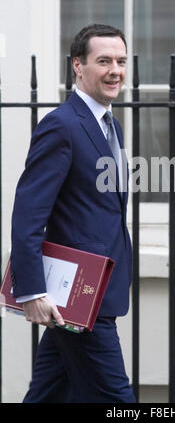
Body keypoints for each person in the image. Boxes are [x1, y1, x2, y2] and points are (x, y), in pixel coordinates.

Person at [10, 24, 135, 403]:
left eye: (121, 61)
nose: (115, 70)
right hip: (81, 293)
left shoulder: (110, 126)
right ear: (78, 66)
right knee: (118, 399)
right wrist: (31, 290)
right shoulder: (61, 126)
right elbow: (28, 215)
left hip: (94, 293)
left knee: (49, 394)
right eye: (104, 61)